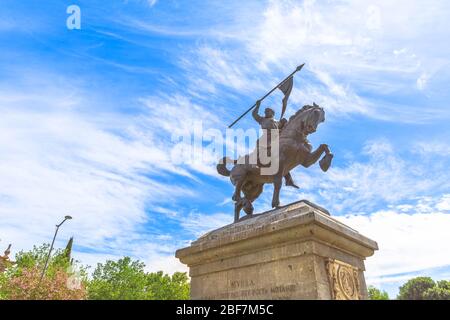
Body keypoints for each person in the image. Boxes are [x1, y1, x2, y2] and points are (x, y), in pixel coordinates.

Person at [252, 100, 299, 189]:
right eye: (265, 111)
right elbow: (254, 114)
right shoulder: (262, 119)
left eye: (267, 111)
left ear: (272, 113)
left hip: (276, 139)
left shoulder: (277, 122)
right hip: (266, 138)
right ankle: (255, 161)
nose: (265, 113)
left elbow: (285, 127)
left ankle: (288, 180)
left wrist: (284, 122)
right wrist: (257, 106)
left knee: (281, 158)